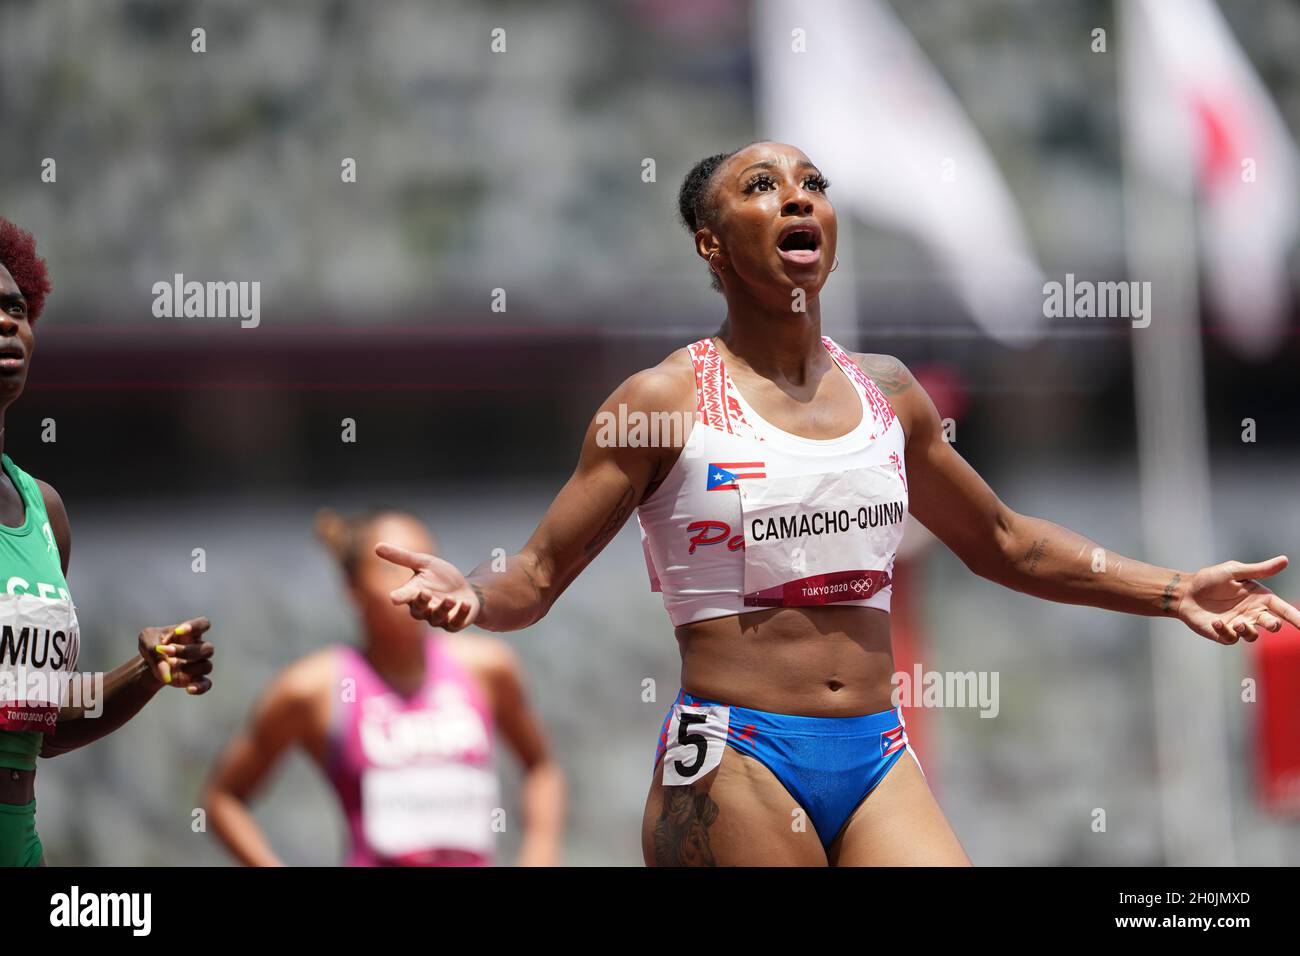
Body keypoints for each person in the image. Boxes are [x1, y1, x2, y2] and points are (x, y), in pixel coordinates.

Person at [375, 142, 1300, 866]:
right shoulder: (663, 401)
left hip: (876, 750)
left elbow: (1008, 544)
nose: (799, 196)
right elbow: (537, 574)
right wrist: (470, 588)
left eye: (813, 182)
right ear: (711, 241)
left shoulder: (891, 394)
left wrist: (1172, 588)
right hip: (738, 752)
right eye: (763, 186)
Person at [0, 217, 215, 867]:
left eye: (16, 309)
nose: (8, 323)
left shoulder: (44, 512)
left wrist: (145, 674)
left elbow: (36, 720)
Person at [204, 508, 565, 866]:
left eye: (424, 565)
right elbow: (223, 799)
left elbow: (541, 768)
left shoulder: (487, 668)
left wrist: (540, 853)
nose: (416, 583)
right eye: (392, 570)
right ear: (353, 589)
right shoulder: (312, 689)